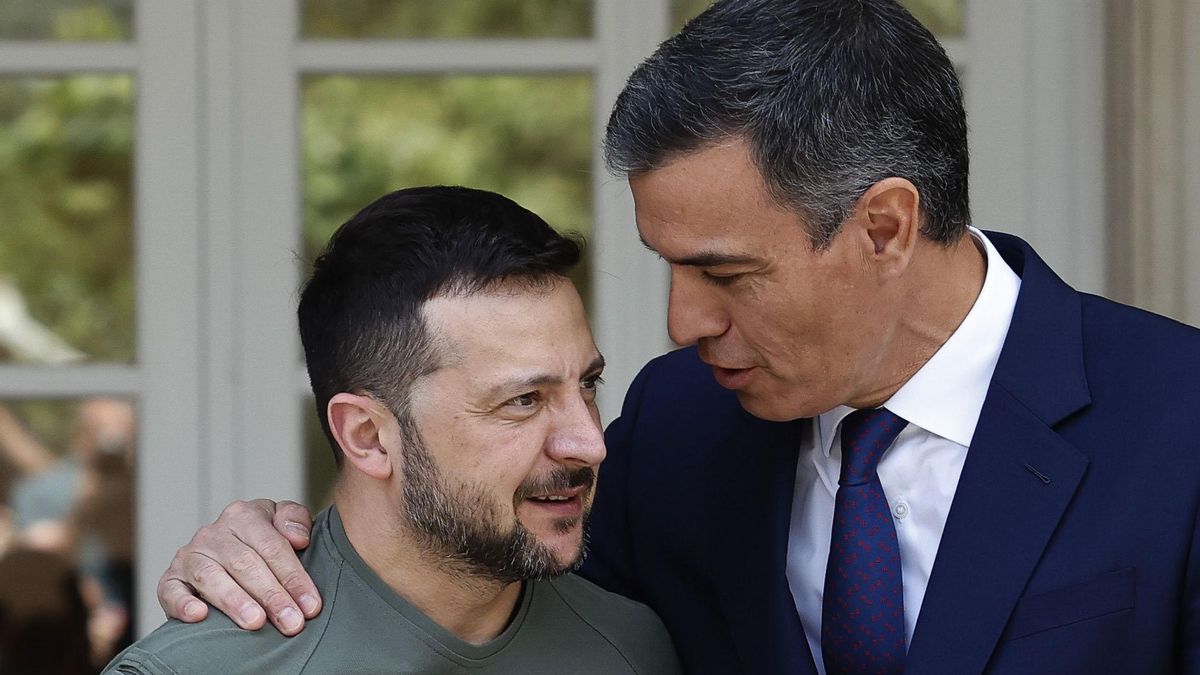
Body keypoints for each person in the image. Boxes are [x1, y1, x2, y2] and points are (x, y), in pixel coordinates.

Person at [155, 1, 1200, 674]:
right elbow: (500, 593)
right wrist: (281, 553)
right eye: (668, 265)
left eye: (725, 273)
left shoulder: (1182, 423)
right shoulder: (679, 420)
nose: (681, 324)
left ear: (884, 227)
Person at [104, 187, 680, 674]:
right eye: (523, 401)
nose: (589, 442)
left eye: (587, 385)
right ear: (367, 436)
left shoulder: (632, 646)